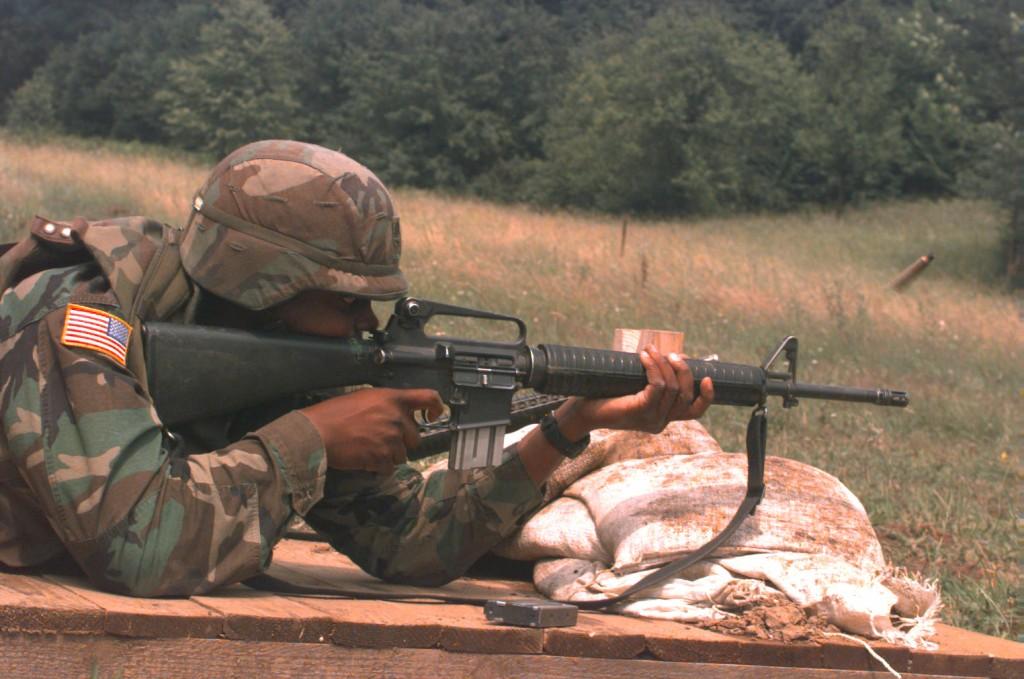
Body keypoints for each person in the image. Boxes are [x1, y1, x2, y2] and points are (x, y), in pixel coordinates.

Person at [0, 140, 713, 596]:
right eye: (346, 304)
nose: (366, 328)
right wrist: (311, 439)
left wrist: (568, 424)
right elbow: (138, 545)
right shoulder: (84, 318)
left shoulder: (273, 349)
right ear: (264, 283)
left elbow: (409, 542)